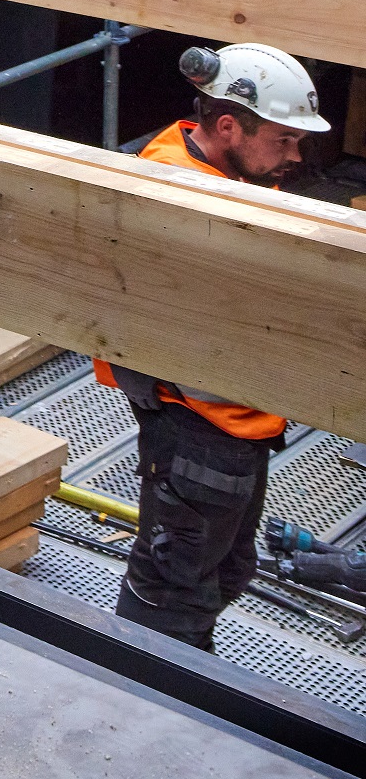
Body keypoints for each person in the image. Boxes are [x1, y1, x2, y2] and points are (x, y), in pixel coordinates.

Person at [94, 41, 328, 652]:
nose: (295, 155)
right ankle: (159, 706)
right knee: (173, 589)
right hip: (195, 423)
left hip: (242, 418)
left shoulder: (232, 173)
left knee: (227, 570)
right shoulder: (178, 192)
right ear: (228, 125)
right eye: (283, 140)